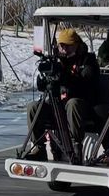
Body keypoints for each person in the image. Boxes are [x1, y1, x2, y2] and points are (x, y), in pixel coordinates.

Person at [23, 28, 101, 164]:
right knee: (33, 107)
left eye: (67, 45)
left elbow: (87, 83)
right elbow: (42, 88)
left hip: (80, 105)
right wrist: (44, 76)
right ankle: (39, 148)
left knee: (73, 103)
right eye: (61, 45)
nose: (63, 48)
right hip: (56, 104)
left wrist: (65, 76)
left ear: (76, 44)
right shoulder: (56, 60)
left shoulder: (88, 60)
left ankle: (76, 146)